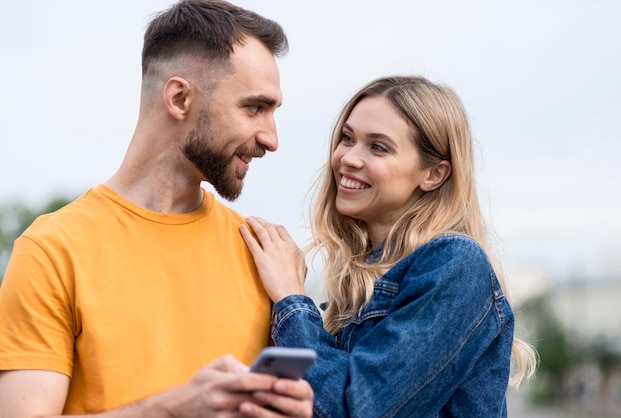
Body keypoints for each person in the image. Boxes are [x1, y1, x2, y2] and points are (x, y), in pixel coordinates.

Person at [0, 1, 313, 417]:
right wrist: (171, 409)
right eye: (254, 108)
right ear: (179, 98)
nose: (271, 139)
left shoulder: (266, 256)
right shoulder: (52, 250)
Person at [241, 75, 538, 417]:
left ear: (434, 174)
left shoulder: (455, 263)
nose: (348, 158)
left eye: (378, 147)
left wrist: (292, 299)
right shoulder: (360, 283)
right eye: (347, 138)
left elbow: (360, 409)